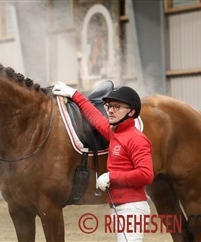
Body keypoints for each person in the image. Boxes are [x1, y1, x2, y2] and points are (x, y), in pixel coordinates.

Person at [53, 82, 154, 242]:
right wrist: (74, 94)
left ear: (131, 111)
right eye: (110, 106)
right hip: (119, 207)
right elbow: (94, 116)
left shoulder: (136, 139)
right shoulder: (115, 133)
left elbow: (146, 175)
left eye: (117, 107)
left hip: (131, 208)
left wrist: (111, 177)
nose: (111, 111)